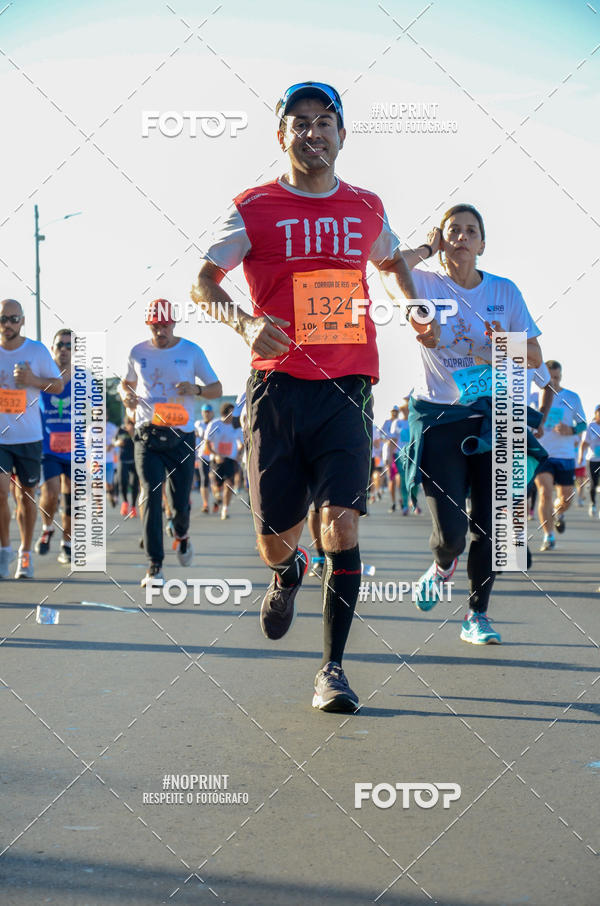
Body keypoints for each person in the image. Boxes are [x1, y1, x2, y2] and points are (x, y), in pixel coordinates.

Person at [191, 80, 418, 711]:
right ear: (281, 135)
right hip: (278, 387)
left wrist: (413, 303)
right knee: (276, 536)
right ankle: (286, 572)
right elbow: (202, 282)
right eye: (299, 122)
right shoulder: (253, 206)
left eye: (325, 122)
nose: (312, 131)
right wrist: (242, 322)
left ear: (342, 135)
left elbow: (393, 259)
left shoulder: (367, 207)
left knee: (339, 523)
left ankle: (333, 669)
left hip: (349, 385)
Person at [394, 205, 545, 644]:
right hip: (442, 416)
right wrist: (426, 246)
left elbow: (534, 355)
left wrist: (504, 345)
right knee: (451, 534)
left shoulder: (504, 291)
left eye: (470, 231)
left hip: (497, 415)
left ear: (482, 244)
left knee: (494, 526)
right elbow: (387, 264)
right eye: (452, 230)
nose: (462, 236)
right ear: (442, 239)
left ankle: (476, 615)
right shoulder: (423, 282)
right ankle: (443, 563)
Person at [120, 299, 222, 586]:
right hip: (147, 435)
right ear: (148, 326)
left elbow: (217, 388)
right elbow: (125, 384)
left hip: (181, 437)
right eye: (155, 326)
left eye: (164, 326)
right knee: (150, 496)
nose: (160, 331)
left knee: (179, 504)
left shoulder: (190, 351)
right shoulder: (137, 352)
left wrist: (197, 388)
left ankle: (181, 533)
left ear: (173, 324)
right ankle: (155, 566)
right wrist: (125, 396)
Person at [0, 299, 63, 578]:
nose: (8, 324)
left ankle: (26, 553)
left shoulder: (36, 350)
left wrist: (32, 380)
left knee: (26, 499)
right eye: (3, 319)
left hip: (29, 436)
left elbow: (58, 384)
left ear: (23, 321)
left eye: (14, 319)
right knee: (0, 494)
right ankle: (4, 551)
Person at [534, 361, 586, 551]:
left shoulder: (572, 397)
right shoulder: (533, 396)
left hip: (565, 456)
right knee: (544, 493)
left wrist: (570, 429)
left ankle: (558, 513)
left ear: (561, 376)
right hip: (542, 455)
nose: (554, 382)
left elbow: (582, 424)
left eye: (557, 378)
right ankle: (549, 536)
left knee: (566, 499)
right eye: (550, 378)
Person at [35, 328, 73, 565]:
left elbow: (95, 412)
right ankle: (47, 527)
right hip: (48, 446)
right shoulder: (42, 377)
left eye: (69, 346)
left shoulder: (83, 380)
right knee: (50, 493)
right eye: (60, 345)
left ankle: (67, 543)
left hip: (75, 448)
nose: (64, 350)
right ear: (52, 349)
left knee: (73, 497)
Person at [206, 402, 243, 520]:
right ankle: (217, 497)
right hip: (217, 460)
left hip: (230, 459)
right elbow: (206, 442)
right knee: (216, 483)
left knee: (229, 484)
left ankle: (225, 509)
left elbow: (241, 443)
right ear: (225, 413)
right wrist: (215, 455)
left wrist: (238, 454)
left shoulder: (236, 426)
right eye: (232, 412)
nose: (234, 415)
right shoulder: (215, 424)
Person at [578, 404, 600, 517]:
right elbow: (584, 443)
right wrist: (581, 456)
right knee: (594, 483)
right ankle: (593, 504)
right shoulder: (591, 427)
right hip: (592, 460)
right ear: (596, 413)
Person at [114, 417, 139, 516]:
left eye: (131, 424)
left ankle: (133, 507)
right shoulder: (120, 430)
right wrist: (118, 443)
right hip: (123, 460)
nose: (129, 426)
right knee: (122, 482)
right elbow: (114, 441)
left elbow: (139, 442)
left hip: (134, 460)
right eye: (128, 423)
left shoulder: (137, 430)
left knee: (134, 484)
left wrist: (132, 432)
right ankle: (125, 502)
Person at [194, 403, 214, 512]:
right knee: (204, 479)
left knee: (216, 479)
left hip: (215, 456)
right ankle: (205, 504)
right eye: (205, 412)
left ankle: (217, 497)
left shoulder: (216, 424)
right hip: (203, 455)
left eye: (208, 412)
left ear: (212, 413)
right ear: (202, 413)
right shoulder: (198, 424)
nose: (207, 414)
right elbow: (196, 434)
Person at [381, 405, 400, 512]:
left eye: (396, 411)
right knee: (391, 478)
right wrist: (387, 441)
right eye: (393, 411)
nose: (394, 413)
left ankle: (402, 499)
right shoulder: (387, 422)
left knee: (400, 478)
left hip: (400, 452)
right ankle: (393, 502)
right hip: (388, 452)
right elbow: (382, 436)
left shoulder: (401, 422)